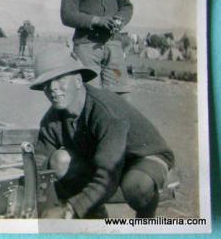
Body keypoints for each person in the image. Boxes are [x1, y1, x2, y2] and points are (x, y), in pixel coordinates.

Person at [30, 49, 174, 219]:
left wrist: (69, 209)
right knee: (59, 160)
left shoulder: (105, 111)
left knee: (136, 186)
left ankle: (147, 220)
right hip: (106, 161)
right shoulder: (52, 120)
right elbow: (39, 164)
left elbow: (108, 174)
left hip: (142, 159)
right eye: (46, 84)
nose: (53, 88)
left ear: (78, 81)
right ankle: (94, 213)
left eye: (60, 79)